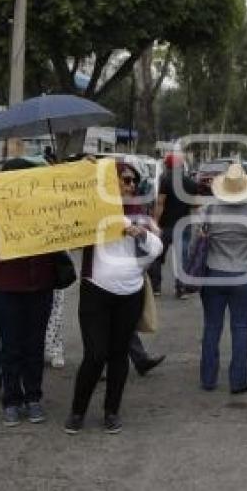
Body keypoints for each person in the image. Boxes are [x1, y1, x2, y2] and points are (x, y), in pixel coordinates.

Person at [64, 161, 163, 435]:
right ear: (110, 182)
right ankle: (77, 411)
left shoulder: (140, 214)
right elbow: (67, 234)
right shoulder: (92, 211)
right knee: (95, 354)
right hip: (96, 291)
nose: (131, 186)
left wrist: (142, 233)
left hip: (130, 294)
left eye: (134, 181)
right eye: (125, 179)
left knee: (119, 356)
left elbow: (157, 248)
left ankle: (112, 411)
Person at [0, 158, 57, 427]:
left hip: (41, 285)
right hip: (6, 286)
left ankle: (34, 397)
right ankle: (12, 400)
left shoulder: (45, 205)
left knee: (34, 345)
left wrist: (76, 173)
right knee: (10, 346)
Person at [195, 164, 247, 393]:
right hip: (243, 276)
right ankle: (238, 381)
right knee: (240, 329)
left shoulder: (209, 211)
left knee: (212, 327)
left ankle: (208, 379)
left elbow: (197, 244)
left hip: (213, 274)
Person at [150, 151, 197, 299]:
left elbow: (160, 204)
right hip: (184, 225)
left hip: (166, 226)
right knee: (182, 258)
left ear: (168, 166)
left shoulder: (165, 180)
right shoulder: (191, 183)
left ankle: (156, 287)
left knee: (157, 255)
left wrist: (155, 223)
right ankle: (181, 289)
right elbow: (194, 206)